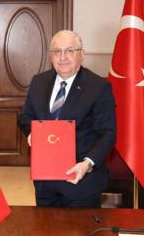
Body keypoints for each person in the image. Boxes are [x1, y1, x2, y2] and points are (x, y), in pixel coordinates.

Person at [18, 30, 116, 208]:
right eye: (57, 51)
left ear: (81, 54)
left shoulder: (99, 87)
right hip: (44, 181)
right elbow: (25, 116)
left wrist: (87, 164)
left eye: (69, 51)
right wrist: (31, 131)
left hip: (81, 182)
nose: (62, 57)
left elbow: (107, 133)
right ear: (51, 56)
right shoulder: (39, 81)